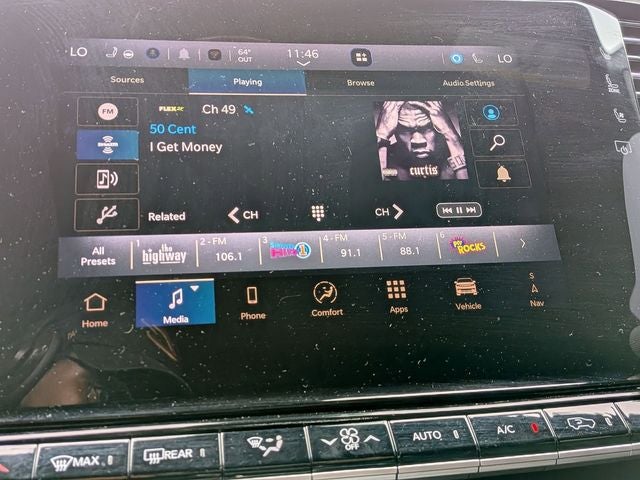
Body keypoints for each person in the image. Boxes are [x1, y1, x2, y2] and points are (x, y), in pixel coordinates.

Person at [375, 100, 468, 181]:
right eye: (405, 130)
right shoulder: (388, 160)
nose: (417, 141)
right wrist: (381, 134)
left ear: (441, 127)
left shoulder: (452, 154)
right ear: (394, 130)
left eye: (427, 129)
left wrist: (450, 134)